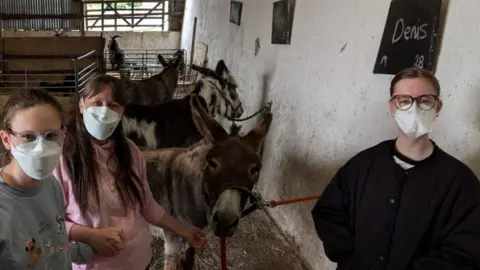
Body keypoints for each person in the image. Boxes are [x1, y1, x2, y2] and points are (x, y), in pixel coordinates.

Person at [311, 67, 480, 269]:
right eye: (404, 101)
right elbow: (329, 212)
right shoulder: (362, 165)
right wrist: (350, 258)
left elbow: (467, 249)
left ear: (438, 107)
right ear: (392, 107)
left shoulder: (461, 183)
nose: (414, 109)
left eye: (425, 101)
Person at [52, 74, 207, 270]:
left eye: (113, 105)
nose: (104, 111)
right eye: (97, 102)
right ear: (82, 106)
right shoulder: (62, 159)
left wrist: (186, 231)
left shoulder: (131, 152)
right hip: (93, 265)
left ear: (122, 111)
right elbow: (49, 222)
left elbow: (147, 204)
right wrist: (90, 236)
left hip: (138, 260)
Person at [0, 88, 92, 269]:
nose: (41, 148)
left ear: (63, 135)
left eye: (51, 136)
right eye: (28, 136)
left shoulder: (51, 185)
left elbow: (52, 240)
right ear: (6, 139)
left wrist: (83, 251)